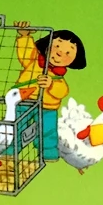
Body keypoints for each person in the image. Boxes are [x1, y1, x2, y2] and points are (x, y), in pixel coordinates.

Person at [13, 20, 87, 162]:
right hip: (24, 101)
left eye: (68, 52)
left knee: (47, 130)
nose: (60, 53)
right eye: (57, 46)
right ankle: (11, 150)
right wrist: (24, 36)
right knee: (17, 126)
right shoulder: (33, 61)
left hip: (47, 107)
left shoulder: (58, 77)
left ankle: (48, 152)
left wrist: (51, 84)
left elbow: (62, 91)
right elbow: (26, 52)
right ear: (47, 45)